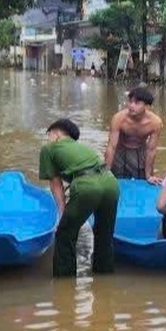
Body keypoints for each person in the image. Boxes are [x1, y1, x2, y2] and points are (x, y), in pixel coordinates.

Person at [39, 118, 120, 278]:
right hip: (111, 183)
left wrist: (62, 214)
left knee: (64, 234)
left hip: (87, 187)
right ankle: (105, 279)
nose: (47, 139)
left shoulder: (49, 148)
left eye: (48, 135)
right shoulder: (82, 148)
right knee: (104, 234)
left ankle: (64, 286)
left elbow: (56, 184)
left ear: (55, 134)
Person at [105, 86, 163, 182]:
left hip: (139, 151)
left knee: (142, 180)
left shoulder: (155, 122)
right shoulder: (119, 118)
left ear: (146, 106)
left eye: (137, 103)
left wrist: (149, 175)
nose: (131, 106)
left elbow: (151, 150)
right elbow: (111, 146)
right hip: (120, 150)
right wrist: (106, 172)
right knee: (115, 179)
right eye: (130, 102)